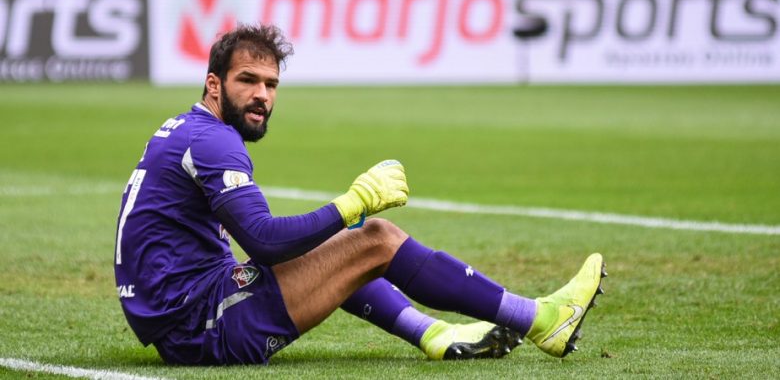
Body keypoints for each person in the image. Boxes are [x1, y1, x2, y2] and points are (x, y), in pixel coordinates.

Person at [113, 24, 606, 365]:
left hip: (184, 313)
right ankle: (540, 319)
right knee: (374, 238)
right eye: (248, 81)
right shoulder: (215, 141)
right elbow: (263, 240)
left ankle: (433, 335)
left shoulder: (186, 129)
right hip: (202, 327)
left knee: (333, 248)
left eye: (271, 84)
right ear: (214, 85)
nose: (262, 94)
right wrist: (353, 202)